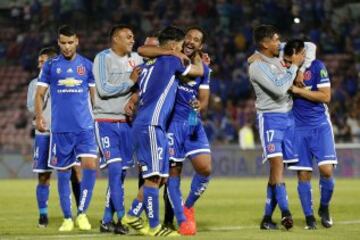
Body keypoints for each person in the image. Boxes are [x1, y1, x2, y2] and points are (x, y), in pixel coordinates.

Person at [123, 26, 204, 237]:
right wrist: (196, 58)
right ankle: (155, 226)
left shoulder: (150, 64)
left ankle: (132, 214)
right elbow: (199, 72)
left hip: (144, 123)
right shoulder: (172, 61)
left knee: (159, 177)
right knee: (154, 176)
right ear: (175, 45)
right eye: (180, 45)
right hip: (152, 124)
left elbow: (143, 51)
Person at [35, 25, 98, 232]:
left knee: (90, 166)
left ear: (77, 41)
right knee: (62, 173)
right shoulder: (51, 66)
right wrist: (39, 116)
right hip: (60, 129)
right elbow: (39, 94)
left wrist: (97, 116)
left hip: (84, 128)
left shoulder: (87, 66)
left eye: (70, 42)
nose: (67, 47)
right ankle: (68, 217)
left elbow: (93, 96)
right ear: (58, 42)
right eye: (63, 43)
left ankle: (82, 213)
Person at [248, 25, 305, 230]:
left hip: (288, 119)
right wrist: (293, 68)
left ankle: (266, 218)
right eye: (275, 39)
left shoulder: (274, 60)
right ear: (265, 43)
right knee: (277, 167)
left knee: (276, 171)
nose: (279, 43)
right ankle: (286, 212)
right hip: (270, 119)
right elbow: (281, 90)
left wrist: (296, 65)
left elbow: (308, 46)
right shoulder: (257, 67)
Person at [92, 24, 143, 234]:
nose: (132, 39)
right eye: (128, 36)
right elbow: (103, 89)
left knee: (120, 173)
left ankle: (106, 220)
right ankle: (122, 218)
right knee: (114, 169)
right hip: (105, 121)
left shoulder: (137, 59)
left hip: (127, 123)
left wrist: (134, 96)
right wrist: (129, 82)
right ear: (115, 39)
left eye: (133, 36)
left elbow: (142, 86)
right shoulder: (102, 58)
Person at [285, 39, 337, 229]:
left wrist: (298, 90)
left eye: (301, 52)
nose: (299, 55)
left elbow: (326, 96)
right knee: (303, 174)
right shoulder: (286, 69)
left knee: (326, 171)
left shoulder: (318, 67)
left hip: (320, 125)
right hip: (298, 128)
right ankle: (309, 219)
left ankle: (324, 207)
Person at [27, 47, 81, 228]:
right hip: (43, 134)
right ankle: (43, 215)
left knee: (71, 174)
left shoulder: (65, 80)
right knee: (43, 176)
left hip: (63, 134)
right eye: (39, 61)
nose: (39, 64)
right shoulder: (34, 84)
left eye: (43, 62)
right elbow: (30, 107)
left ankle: (76, 214)